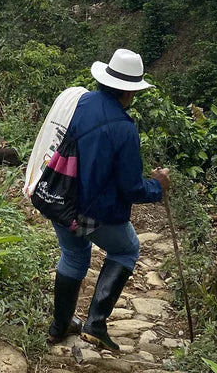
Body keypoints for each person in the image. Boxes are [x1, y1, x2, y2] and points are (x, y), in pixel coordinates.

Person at [46, 48, 171, 351]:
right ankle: (96, 324)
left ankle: (59, 326)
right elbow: (131, 188)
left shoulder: (82, 102)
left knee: (74, 255)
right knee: (128, 249)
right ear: (130, 91)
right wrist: (158, 185)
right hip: (91, 212)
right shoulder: (124, 129)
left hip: (60, 198)